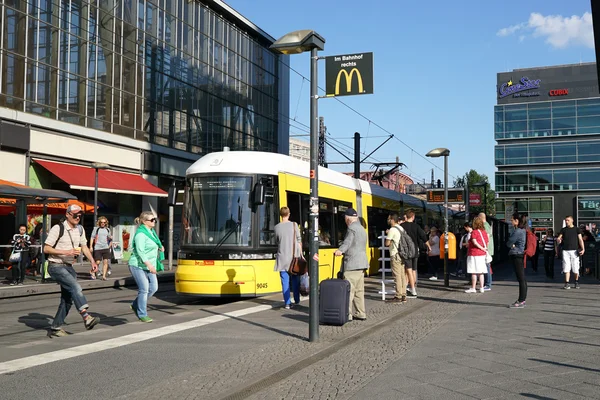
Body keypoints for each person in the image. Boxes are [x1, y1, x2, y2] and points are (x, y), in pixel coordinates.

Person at [44, 205, 100, 337]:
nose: (78, 217)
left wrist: (92, 261)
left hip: (69, 267)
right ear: (68, 214)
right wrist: (66, 251)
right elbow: (46, 249)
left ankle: (56, 328)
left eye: (80, 215)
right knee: (76, 287)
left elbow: (84, 247)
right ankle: (86, 317)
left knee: (67, 299)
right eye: (75, 215)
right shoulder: (58, 228)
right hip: (56, 266)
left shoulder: (80, 229)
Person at [128, 211, 164, 322]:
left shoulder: (151, 232)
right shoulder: (140, 234)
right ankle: (142, 313)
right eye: (152, 220)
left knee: (154, 288)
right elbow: (140, 251)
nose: (154, 222)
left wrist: (159, 247)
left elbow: (153, 244)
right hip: (137, 265)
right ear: (144, 221)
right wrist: (150, 266)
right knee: (144, 289)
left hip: (149, 265)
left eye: (155, 220)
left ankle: (135, 304)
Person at [334, 208, 368, 321]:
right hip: (362, 263)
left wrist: (340, 251)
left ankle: (347, 314)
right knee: (359, 291)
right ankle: (360, 312)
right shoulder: (362, 229)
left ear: (347, 218)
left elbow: (347, 242)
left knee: (350, 290)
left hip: (352, 263)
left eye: (345, 218)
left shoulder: (351, 228)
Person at [274, 207, 301, 309]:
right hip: (294, 257)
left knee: (285, 281)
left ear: (281, 215)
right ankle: (297, 299)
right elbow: (299, 240)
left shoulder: (277, 227)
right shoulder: (294, 225)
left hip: (282, 257)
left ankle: (287, 303)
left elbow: (277, 241)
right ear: (289, 214)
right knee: (295, 279)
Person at [401, 210, 427, 298]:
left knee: (408, 271)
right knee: (414, 270)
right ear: (413, 217)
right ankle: (413, 287)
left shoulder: (401, 226)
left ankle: (412, 290)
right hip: (415, 251)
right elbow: (423, 236)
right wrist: (429, 246)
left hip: (406, 251)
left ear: (406, 216)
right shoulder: (416, 226)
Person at [557, 216, 585, 290]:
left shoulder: (576, 229)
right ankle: (567, 283)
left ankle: (576, 281)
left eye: (568, 220)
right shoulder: (563, 230)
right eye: (566, 220)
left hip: (574, 251)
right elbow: (559, 237)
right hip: (565, 250)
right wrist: (558, 239)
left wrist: (583, 248)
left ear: (572, 220)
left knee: (575, 267)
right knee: (566, 267)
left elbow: (580, 239)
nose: (567, 222)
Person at [385, 213, 407, 304]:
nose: (388, 221)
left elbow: (387, 243)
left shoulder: (392, 230)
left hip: (395, 254)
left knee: (397, 275)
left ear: (392, 220)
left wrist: (387, 234)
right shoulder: (401, 228)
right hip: (402, 254)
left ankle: (398, 296)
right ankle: (403, 295)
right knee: (402, 275)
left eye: (389, 219)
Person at [507, 213, 527, 308]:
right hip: (519, 254)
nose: (511, 221)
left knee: (521, 278)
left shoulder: (517, 231)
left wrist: (511, 244)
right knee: (521, 278)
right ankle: (522, 299)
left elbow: (509, 242)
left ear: (517, 221)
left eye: (512, 220)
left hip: (517, 254)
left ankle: (521, 300)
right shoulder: (522, 230)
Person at [465, 217, 488, 294]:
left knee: (474, 271)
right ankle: (482, 288)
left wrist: (481, 248)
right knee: (481, 272)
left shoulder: (474, 232)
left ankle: (473, 288)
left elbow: (474, 242)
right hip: (482, 254)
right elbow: (487, 242)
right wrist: (484, 249)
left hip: (474, 253)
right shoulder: (484, 232)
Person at [90, 216, 113, 280]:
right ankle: (92, 271)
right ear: (99, 222)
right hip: (98, 247)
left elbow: (109, 238)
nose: (103, 223)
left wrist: (110, 240)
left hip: (105, 247)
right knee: (97, 262)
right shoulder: (96, 229)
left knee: (105, 262)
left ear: (106, 223)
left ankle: (104, 276)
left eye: (104, 222)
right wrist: (91, 246)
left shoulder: (108, 229)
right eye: (101, 222)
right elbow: (92, 237)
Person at [478, 213, 494, 291]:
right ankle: (487, 283)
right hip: (487, 249)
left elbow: (486, 238)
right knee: (487, 267)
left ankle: (488, 284)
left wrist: (485, 249)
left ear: (481, 218)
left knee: (487, 267)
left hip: (486, 250)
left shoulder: (485, 225)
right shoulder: (487, 225)